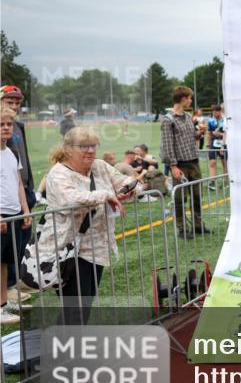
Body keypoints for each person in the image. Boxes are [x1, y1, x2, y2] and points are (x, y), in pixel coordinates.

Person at [26, 127, 135, 323]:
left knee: (83, 306)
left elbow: (123, 180)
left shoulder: (99, 166)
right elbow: (72, 200)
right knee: (75, 308)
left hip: (97, 248)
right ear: (68, 149)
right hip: (67, 249)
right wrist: (106, 195)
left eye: (93, 145)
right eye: (84, 146)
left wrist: (129, 189)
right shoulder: (58, 173)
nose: (91, 151)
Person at [1, 85, 36, 300]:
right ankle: (9, 288)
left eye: (17, 102)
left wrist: (28, 188)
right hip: (5, 199)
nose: (13, 106)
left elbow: (20, 162)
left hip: (21, 191)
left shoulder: (18, 126)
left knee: (19, 242)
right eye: (9, 101)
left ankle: (17, 282)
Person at [160, 86, 208, 238]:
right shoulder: (168, 120)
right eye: (189, 98)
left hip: (193, 162)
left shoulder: (188, 116)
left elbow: (191, 136)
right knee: (180, 198)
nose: (191, 101)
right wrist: (173, 166)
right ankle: (182, 229)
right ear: (182, 99)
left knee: (196, 196)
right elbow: (167, 145)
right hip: (179, 164)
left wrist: (199, 134)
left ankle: (198, 225)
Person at [206, 104, 227, 183]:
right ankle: (212, 182)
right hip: (213, 143)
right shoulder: (211, 120)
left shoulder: (225, 120)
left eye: (216, 112)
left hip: (224, 142)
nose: (214, 114)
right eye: (213, 112)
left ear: (220, 111)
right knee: (212, 162)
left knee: (224, 162)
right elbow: (209, 133)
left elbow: (228, 133)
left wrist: (220, 134)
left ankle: (226, 181)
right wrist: (208, 145)